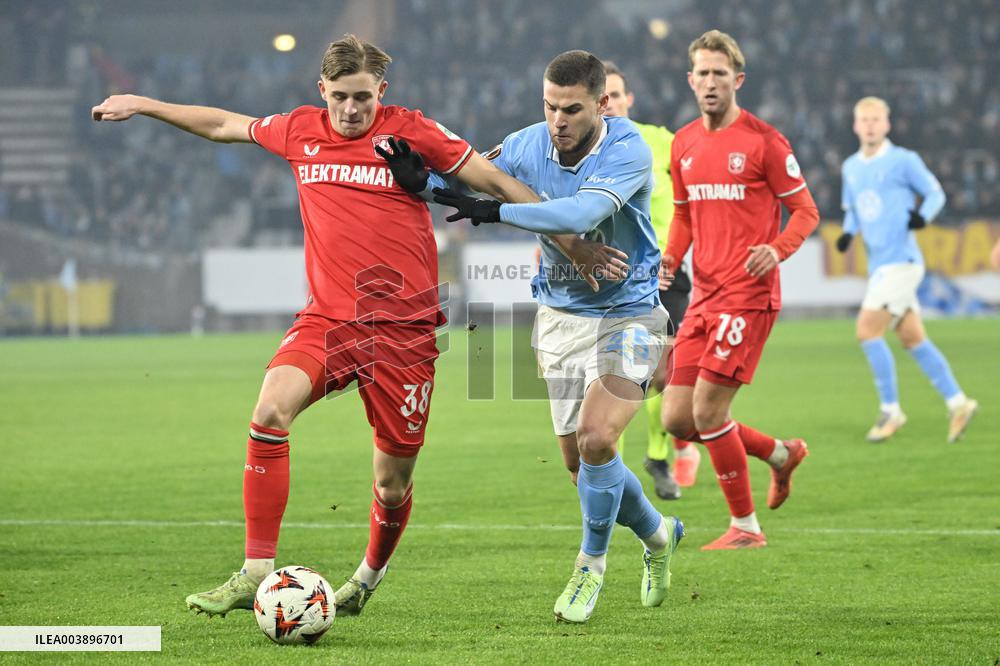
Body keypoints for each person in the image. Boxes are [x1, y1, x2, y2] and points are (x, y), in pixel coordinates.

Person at [92, 34, 547, 618]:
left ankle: (367, 576)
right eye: (339, 97)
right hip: (328, 320)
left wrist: (571, 241)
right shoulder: (299, 130)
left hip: (404, 332)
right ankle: (256, 570)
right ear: (321, 92)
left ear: (381, 91)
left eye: (362, 97)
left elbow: (498, 185)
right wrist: (144, 103)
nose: (350, 110)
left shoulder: (415, 132)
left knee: (392, 482)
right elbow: (224, 124)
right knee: (269, 411)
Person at [432, 50, 684, 624]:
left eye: (572, 109)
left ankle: (589, 567)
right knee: (582, 466)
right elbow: (465, 178)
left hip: (632, 312)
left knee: (599, 440)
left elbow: (579, 212)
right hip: (560, 317)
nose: (558, 120)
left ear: (601, 104)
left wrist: (496, 211)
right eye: (549, 106)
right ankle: (658, 537)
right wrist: (415, 174)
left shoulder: (627, 149)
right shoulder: (525, 144)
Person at [660, 30, 818, 550]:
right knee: (679, 419)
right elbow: (683, 215)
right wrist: (670, 259)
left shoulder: (764, 142)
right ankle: (780, 453)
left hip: (748, 297)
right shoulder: (683, 143)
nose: (710, 82)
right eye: (702, 73)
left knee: (708, 413)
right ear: (690, 80)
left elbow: (806, 211)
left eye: (720, 74)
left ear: (737, 80)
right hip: (703, 294)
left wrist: (776, 248)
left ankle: (745, 528)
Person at [837, 96, 978, 443]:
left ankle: (891, 410)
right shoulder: (850, 167)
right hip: (880, 265)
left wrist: (922, 216)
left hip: (902, 262)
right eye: (864, 120)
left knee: (867, 331)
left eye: (876, 119)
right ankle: (958, 402)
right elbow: (854, 208)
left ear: (887, 125)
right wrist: (847, 233)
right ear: (855, 126)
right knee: (913, 338)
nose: (870, 125)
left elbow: (935, 193)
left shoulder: (904, 161)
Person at [603, 61, 698, 500]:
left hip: (665, 273)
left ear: (630, 98)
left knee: (665, 371)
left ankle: (658, 455)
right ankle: (614, 470)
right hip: (610, 277)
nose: (612, 103)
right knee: (615, 378)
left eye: (617, 94)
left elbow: (692, 198)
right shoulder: (581, 152)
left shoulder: (662, 141)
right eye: (603, 97)